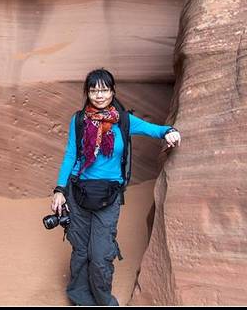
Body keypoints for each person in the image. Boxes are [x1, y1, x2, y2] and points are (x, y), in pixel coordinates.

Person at [51, 68, 181, 306]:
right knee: (80, 251)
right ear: (87, 93)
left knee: (100, 255)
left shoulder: (123, 120)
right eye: (93, 90)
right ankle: (80, 298)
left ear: (112, 91)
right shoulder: (78, 120)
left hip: (108, 196)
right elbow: (70, 155)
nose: (99, 95)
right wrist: (60, 190)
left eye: (104, 90)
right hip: (77, 193)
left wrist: (169, 132)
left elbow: (154, 129)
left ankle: (104, 302)